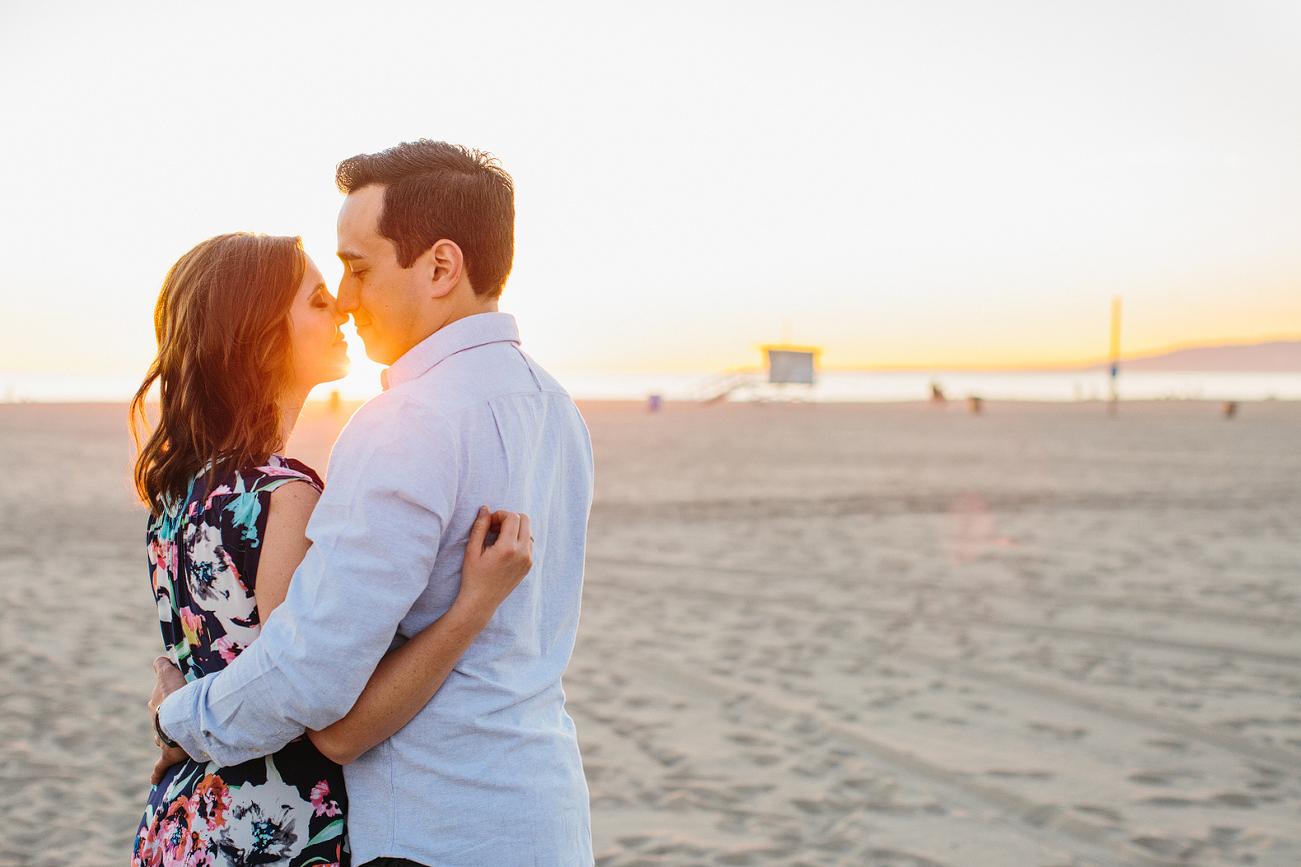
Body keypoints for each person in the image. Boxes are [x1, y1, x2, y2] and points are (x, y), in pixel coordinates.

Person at [151, 141, 596, 866]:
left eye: (357, 268)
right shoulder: (554, 404)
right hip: (542, 811)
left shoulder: (409, 420)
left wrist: (180, 718)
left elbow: (310, 677)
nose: (347, 297)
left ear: (441, 267)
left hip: (434, 828)